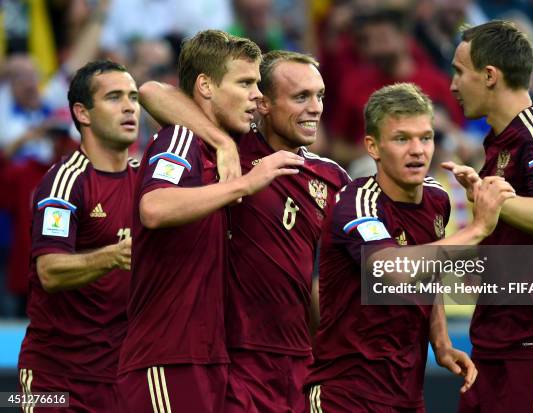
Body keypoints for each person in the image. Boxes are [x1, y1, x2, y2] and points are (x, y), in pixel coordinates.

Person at [138, 50, 351, 413]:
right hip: (235, 361)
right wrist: (221, 143)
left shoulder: (330, 178)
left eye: (320, 96)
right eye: (301, 97)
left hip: (303, 364)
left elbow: (360, 270)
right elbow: (151, 92)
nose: (315, 108)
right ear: (263, 103)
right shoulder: (228, 148)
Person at [117, 30, 304, 413]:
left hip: (210, 358)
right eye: (246, 83)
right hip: (167, 357)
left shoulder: (225, 145)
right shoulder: (180, 140)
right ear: (206, 85)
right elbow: (154, 208)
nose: (257, 94)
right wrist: (247, 183)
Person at [304, 83, 516, 412]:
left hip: (407, 393)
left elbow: (428, 272)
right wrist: (478, 228)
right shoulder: (356, 204)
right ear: (373, 147)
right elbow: (396, 270)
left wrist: (441, 342)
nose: (417, 150)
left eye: (426, 137)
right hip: (345, 393)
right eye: (402, 139)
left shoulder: (436, 199)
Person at [444, 20, 533, 412]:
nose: (453, 85)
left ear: (489, 76)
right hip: (495, 342)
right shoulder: (500, 142)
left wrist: (490, 198)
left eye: (459, 72)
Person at [17, 60, 140, 412]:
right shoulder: (64, 182)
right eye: (114, 97)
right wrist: (113, 255)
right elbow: (50, 271)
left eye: (133, 96)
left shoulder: (147, 183)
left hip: (122, 378)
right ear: (82, 113)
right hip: (55, 380)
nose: (130, 106)